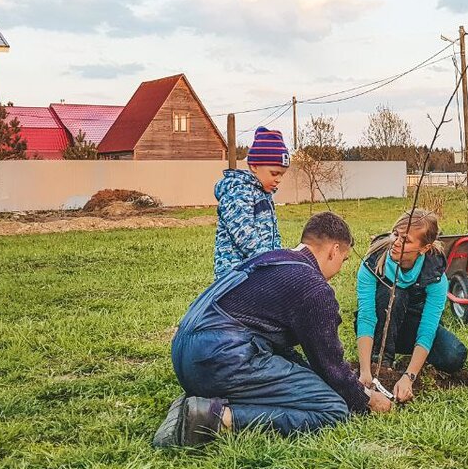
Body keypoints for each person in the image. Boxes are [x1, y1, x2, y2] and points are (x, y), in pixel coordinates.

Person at [155, 211, 392, 448]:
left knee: (310, 383)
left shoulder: (270, 259)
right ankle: (215, 419)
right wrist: (365, 399)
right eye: (344, 259)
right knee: (332, 408)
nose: (340, 267)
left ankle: (195, 403)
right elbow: (329, 365)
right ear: (334, 250)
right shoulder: (313, 287)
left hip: (187, 355)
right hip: (222, 358)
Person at [356, 208, 468, 403]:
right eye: (395, 234)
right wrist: (365, 371)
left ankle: (408, 362)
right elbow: (366, 316)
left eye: (406, 240)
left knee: (454, 355)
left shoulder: (435, 275)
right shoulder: (372, 263)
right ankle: (381, 362)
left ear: (424, 248)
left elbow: (427, 328)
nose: (396, 243)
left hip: (411, 329)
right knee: (394, 294)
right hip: (378, 328)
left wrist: (409, 376)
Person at [213, 126, 289, 278]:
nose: (278, 179)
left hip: (257, 270)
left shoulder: (263, 194)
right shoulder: (238, 192)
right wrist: (270, 260)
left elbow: (273, 233)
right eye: (274, 173)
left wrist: (279, 257)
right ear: (254, 166)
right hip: (235, 275)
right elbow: (244, 235)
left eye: (282, 174)